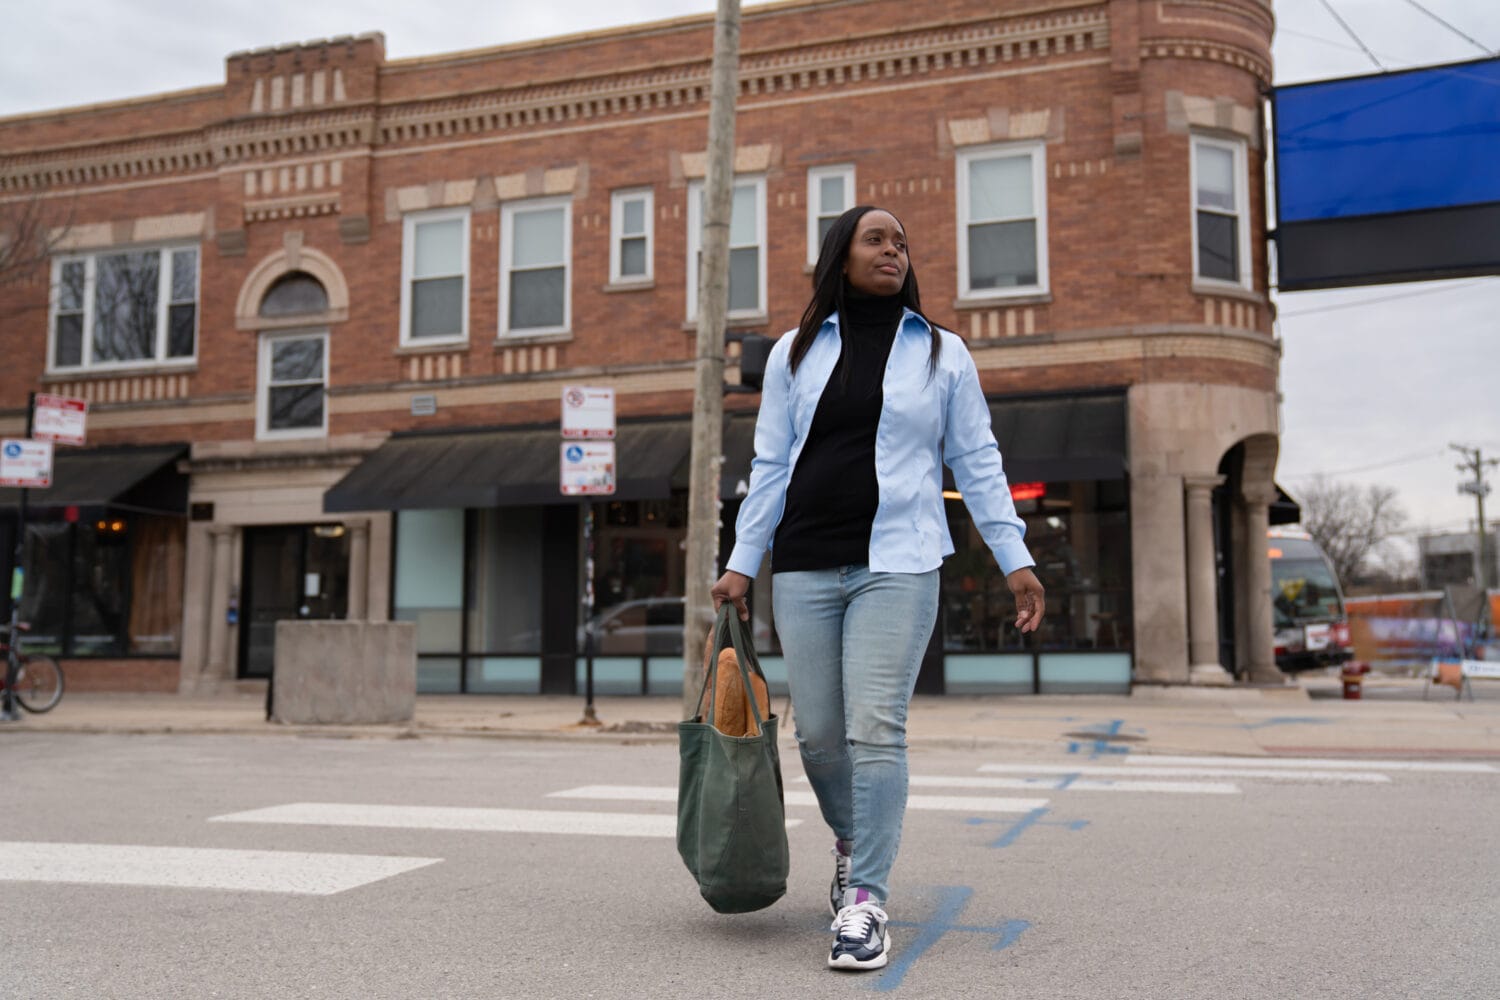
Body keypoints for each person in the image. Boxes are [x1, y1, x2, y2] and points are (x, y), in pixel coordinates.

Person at [711, 205, 1045, 972]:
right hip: (803, 561)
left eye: (901, 241)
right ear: (843, 256)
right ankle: (855, 838)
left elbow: (980, 460)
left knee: (875, 728)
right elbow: (769, 466)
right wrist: (742, 560)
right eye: (877, 239)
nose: (893, 249)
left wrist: (1013, 556)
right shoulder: (795, 353)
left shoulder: (942, 354)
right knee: (818, 734)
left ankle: (864, 901)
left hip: (899, 561)